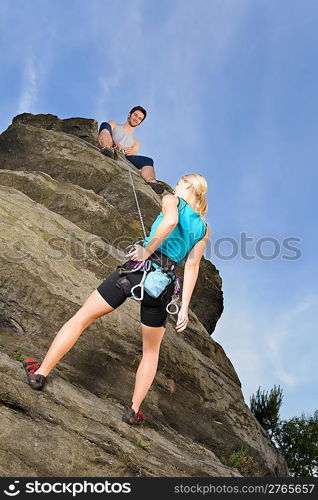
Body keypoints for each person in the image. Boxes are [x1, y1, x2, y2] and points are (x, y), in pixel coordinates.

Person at [23, 174, 211, 425]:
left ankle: (41, 373)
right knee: (151, 351)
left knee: (81, 318)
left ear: (187, 185)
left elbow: (170, 221)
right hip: (163, 285)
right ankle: (134, 411)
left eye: (179, 181)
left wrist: (147, 250)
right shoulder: (204, 227)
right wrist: (184, 307)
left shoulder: (172, 200)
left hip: (137, 270)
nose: (176, 185)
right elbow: (192, 265)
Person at [98, 105, 164, 194]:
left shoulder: (136, 142)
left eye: (140, 118)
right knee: (105, 125)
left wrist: (130, 151)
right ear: (129, 115)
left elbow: (133, 153)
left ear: (140, 122)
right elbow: (105, 130)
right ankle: (107, 148)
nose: (136, 119)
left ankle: (152, 182)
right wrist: (114, 143)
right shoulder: (114, 124)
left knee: (148, 160)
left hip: (125, 156)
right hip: (111, 146)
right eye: (135, 115)